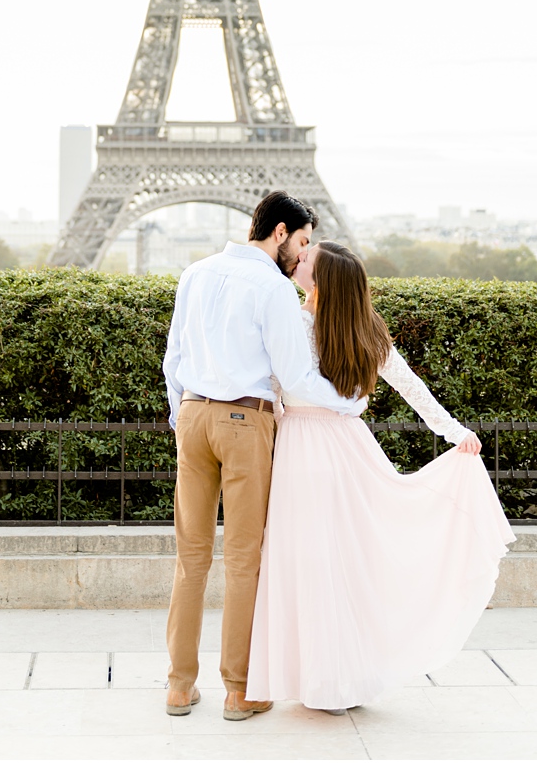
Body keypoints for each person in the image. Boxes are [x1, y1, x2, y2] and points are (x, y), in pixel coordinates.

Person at [246, 239, 514, 712]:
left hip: (300, 451)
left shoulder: (293, 320)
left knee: (307, 563)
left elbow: (270, 388)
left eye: (306, 259)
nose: (297, 259)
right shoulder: (365, 329)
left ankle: (317, 677)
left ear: (320, 279)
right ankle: (345, 676)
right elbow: (412, 387)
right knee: (348, 564)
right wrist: (453, 431)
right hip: (350, 447)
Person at [161, 190, 357, 721]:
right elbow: (295, 377)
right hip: (245, 422)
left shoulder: (195, 273)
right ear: (280, 233)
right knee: (244, 561)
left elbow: (173, 358)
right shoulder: (273, 288)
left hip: (195, 417)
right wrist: (348, 403)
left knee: (191, 559)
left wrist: (184, 417)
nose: (303, 252)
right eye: (302, 241)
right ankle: (238, 690)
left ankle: (179, 687)